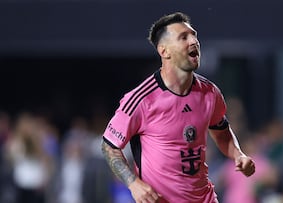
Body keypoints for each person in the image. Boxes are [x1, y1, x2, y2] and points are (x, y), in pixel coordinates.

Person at [101, 12, 255, 203]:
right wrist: (133, 183)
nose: (194, 41)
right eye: (183, 37)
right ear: (164, 51)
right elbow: (109, 147)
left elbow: (221, 131)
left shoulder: (210, 93)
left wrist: (238, 154)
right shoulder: (141, 99)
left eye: (194, 35)